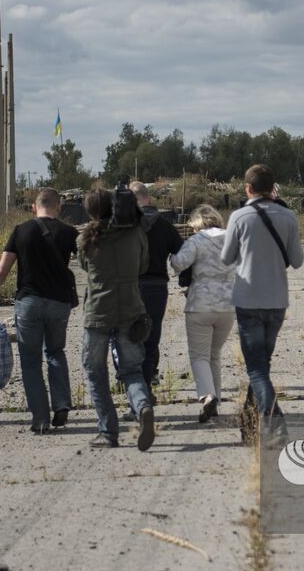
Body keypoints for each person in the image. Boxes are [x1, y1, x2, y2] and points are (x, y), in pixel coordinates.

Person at [221, 164, 304, 441]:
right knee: (261, 365)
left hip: (248, 300)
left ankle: (274, 421)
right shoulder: (288, 216)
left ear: (248, 188)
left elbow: (226, 258)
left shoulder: (240, 217)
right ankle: (249, 425)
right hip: (277, 300)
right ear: (273, 188)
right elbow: (298, 260)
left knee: (256, 367)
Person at [0, 187, 78, 434]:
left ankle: (40, 419)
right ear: (58, 207)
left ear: (34, 208)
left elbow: (2, 269)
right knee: (56, 352)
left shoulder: (21, 231)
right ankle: (61, 404)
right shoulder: (70, 232)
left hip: (29, 303)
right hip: (59, 303)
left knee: (30, 361)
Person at [76, 188, 156, 450]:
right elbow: (143, 266)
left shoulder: (86, 238)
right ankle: (143, 406)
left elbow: (85, 267)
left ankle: (108, 432)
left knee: (95, 371)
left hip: (98, 312)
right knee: (131, 369)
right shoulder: (136, 233)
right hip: (131, 310)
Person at [168, 204, 238, 422]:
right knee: (214, 354)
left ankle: (208, 397)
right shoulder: (233, 238)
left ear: (197, 223)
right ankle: (216, 399)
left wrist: (171, 255)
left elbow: (179, 264)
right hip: (228, 305)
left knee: (199, 356)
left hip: (200, 304)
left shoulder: (196, 241)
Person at [131, 181, 184, 395]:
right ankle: (148, 378)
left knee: (130, 336)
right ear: (150, 199)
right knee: (151, 337)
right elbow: (181, 252)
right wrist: (184, 279)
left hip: (131, 285)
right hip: (157, 286)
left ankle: (132, 381)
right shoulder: (165, 225)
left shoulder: (126, 226)